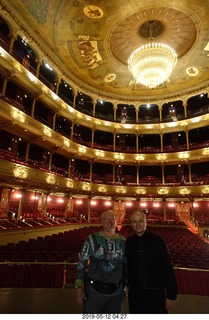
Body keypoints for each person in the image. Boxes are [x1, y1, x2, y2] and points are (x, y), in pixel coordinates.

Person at [125, 209, 178, 314]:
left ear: (146, 222)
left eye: (140, 221)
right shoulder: (128, 243)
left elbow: (167, 266)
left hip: (155, 294)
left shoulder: (158, 240)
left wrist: (171, 295)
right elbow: (127, 268)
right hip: (135, 295)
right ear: (131, 224)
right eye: (135, 221)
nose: (138, 224)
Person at [75, 210, 127, 313]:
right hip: (94, 291)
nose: (110, 222)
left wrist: (125, 287)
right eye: (106, 219)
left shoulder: (123, 241)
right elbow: (82, 263)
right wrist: (78, 287)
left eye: (112, 219)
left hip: (116, 292)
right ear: (102, 222)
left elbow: (126, 265)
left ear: (116, 222)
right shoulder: (92, 239)